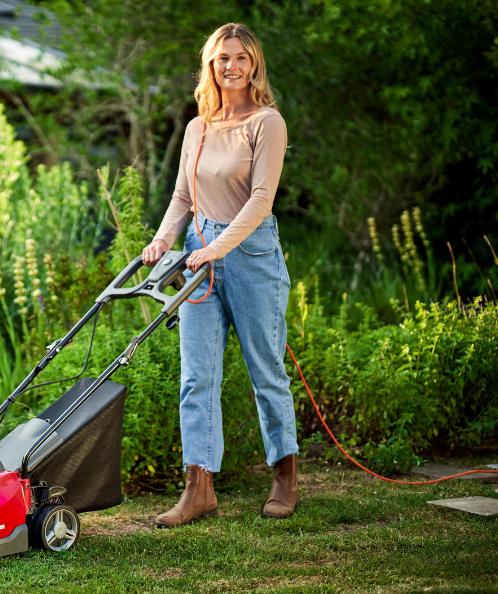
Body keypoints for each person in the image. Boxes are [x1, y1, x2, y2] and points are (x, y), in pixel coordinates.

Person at [141, 23, 298, 527]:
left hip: (251, 256)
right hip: (198, 258)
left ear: (254, 65)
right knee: (196, 378)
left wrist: (217, 249)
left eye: (241, 58)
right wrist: (164, 240)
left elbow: (260, 200)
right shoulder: (197, 127)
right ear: (210, 65)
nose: (231, 66)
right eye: (222, 58)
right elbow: (183, 198)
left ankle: (285, 476)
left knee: (265, 371)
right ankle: (199, 488)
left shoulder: (267, 123)